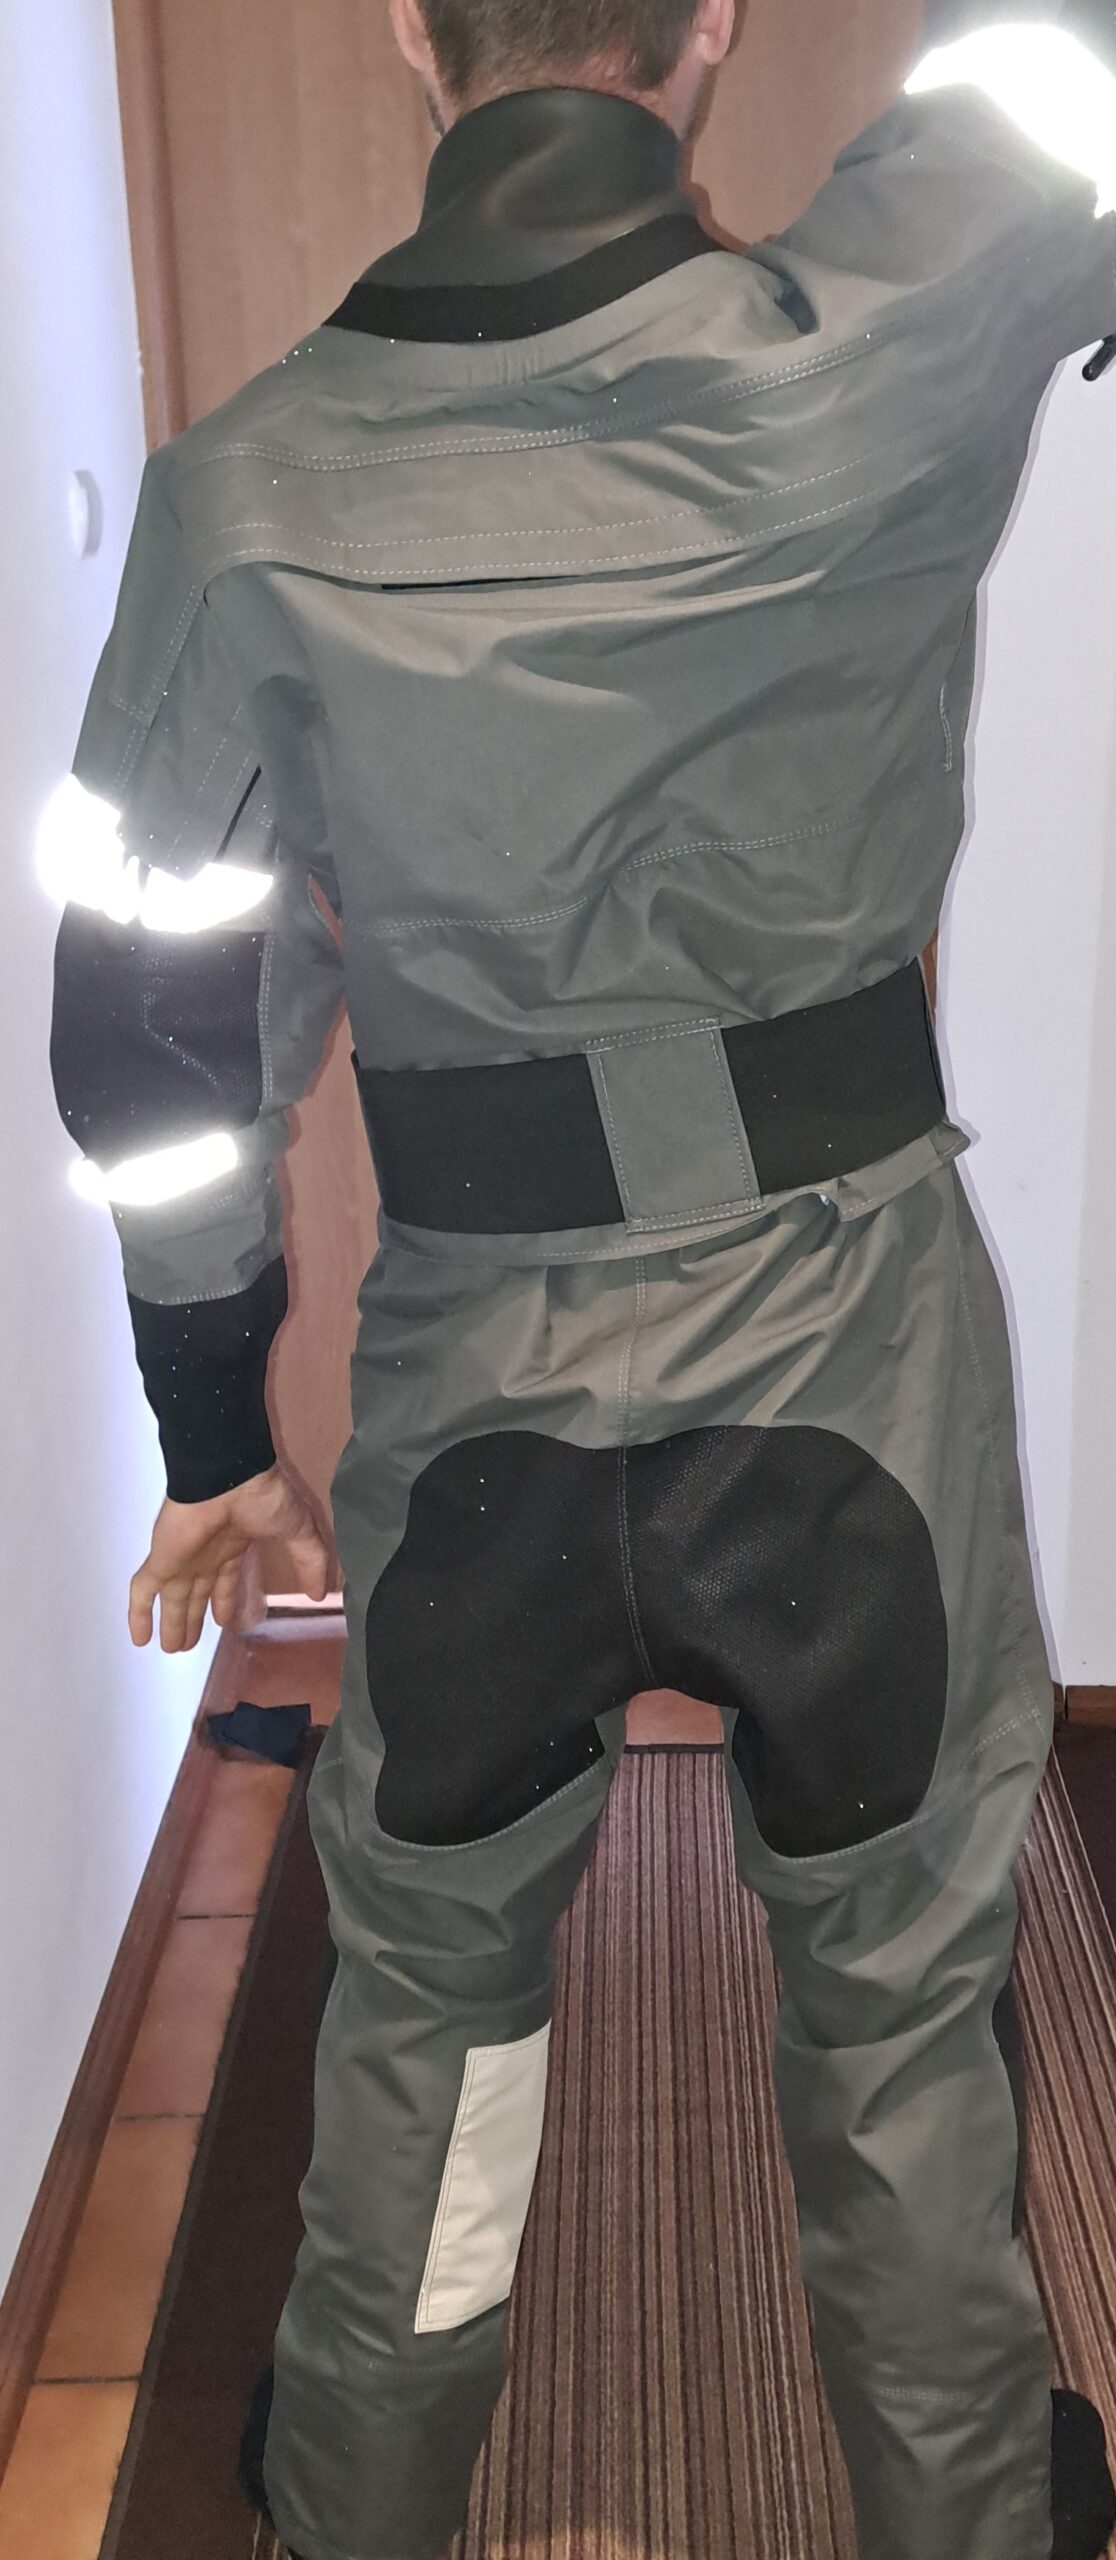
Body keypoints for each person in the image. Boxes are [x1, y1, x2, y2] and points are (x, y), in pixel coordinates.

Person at [47, 0, 1116, 2552]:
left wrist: (209, 1429)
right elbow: (1060, 78)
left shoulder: (243, 491)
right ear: (713, 28)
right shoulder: (889, 329)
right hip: (847, 1369)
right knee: (899, 2037)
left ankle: (353, 2517)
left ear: (412, 38)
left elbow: (152, 1024)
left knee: (431, 2040)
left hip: (480, 1408)